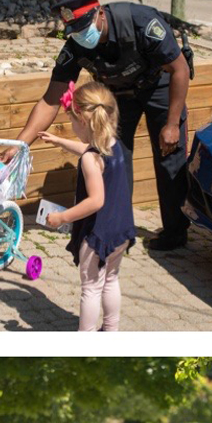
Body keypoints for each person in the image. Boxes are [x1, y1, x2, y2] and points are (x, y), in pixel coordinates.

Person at [6, 0, 193, 251]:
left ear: (100, 13)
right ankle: (120, 234)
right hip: (118, 94)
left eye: (85, 27)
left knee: (169, 157)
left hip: (160, 85)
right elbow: (51, 99)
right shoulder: (76, 44)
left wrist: (172, 124)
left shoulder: (141, 22)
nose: (82, 35)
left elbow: (180, 69)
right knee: (113, 158)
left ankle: (175, 234)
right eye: (75, 30)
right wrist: (19, 145)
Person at [41, 81, 137, 331]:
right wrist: (60, 142)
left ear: (83, 121)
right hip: (121, 230)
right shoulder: (115, 145)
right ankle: (111, 330)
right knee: (111, 279)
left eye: (73, 123)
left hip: (98, 235)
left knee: (91, 287)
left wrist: (62, 217)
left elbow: (96, 201)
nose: (72, 128)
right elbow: (88, 148)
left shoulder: (90, 160)